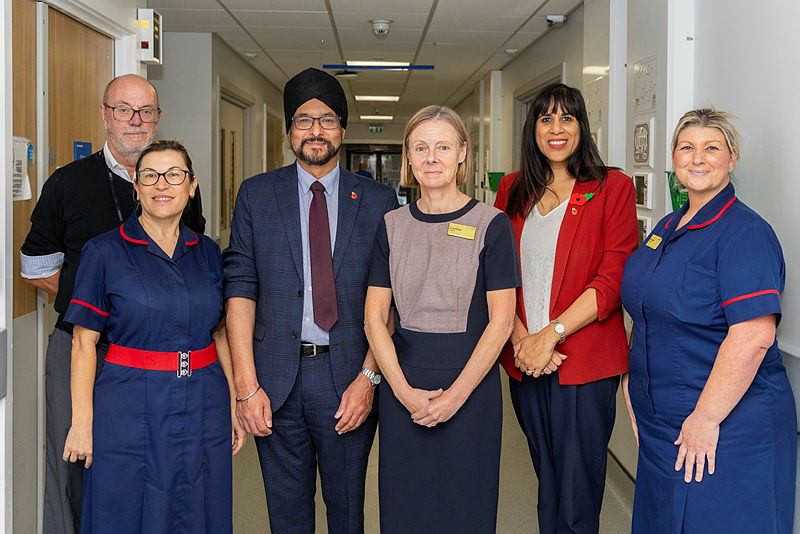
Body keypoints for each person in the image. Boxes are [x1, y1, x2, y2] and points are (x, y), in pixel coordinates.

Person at [19, 74, 205, 534]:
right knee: (79, 462)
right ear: (105, 115)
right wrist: (101, 302)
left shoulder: (173, 184)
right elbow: (36, 266)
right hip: (83, 348)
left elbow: (188, 259)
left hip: (154, 352)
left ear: (158, 118)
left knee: (154, 461)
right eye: (124, 109)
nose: (135, 121)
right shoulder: (67, 183)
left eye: (146, 112)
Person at [223, 67, 399, 533]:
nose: (315, 130)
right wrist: (245, 385)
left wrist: (369, 376)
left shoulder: (379, 201)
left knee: (347, 513)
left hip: (347, 379)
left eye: (326, 119)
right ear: (288, 131)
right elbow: (240, 289)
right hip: (273, 380)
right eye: (303, 120)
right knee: (286, 516)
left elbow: (392, 300)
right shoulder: (257, 196)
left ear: (342, 128)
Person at [621, 109, 796, 533]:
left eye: (711, 148)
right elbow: (648, 311)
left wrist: (706, 418)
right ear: (674, 158)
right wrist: (633, 385)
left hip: (724, 428)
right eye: (687, 147)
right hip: (664, 424)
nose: (698, 158)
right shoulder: (666, 226)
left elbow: (754, 335)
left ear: (732, 159)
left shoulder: (745, 233)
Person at [61, 140, 242, 533]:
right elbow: (83, 342)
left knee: (199, 504)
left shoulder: (208, 252)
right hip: (128, 402)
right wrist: (81, 422)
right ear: (136, 186)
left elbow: (221, 333)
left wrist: (233, 401)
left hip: (203, 401)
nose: (163, 184)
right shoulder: (104, 252)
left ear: (191, 185)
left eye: (174, 174)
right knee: (124, 505)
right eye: (150, 175)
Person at [364, 105, 519, 533]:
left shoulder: (493, 224)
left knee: (465, 511)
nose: (432, 158)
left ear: (462, 154)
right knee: (405, 510)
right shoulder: (391, 226)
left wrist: (453, 397)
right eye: (421, 148)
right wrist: (404, 392)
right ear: (408, 159)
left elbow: (502, 322)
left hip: (471, 391)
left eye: (443, 147)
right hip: (403, 390)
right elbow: (375, 318)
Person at [493, 83, 638, 534]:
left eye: (567, 118)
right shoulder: (513, 188)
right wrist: (522, 341)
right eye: (545, 118)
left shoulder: (611, 187)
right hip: (525, 362)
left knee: (577, 489)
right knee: (548, 479)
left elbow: (611, 280)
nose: (556, 129)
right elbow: (497, 276)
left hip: (583, 362)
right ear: (532, 128)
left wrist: (549, 335)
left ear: (582, 126)